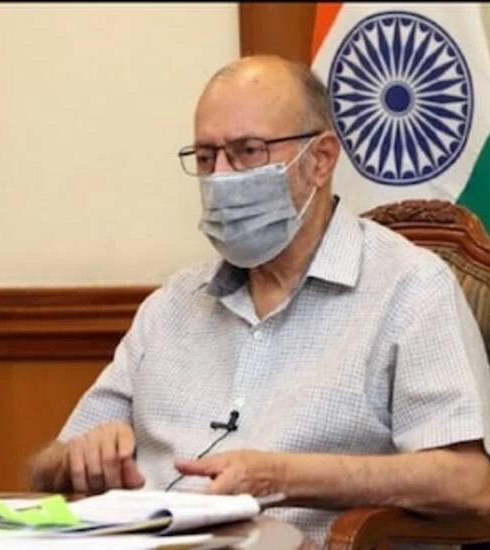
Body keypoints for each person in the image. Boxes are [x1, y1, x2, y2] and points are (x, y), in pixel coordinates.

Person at [27, 55, 490, 545]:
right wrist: (78, 458)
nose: (221, 177)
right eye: (206, 157)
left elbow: (470, 482)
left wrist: (285, 477)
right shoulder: (171, 304)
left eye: (247, 152)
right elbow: (46, 468)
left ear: (320, 159)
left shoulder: (409, 287)